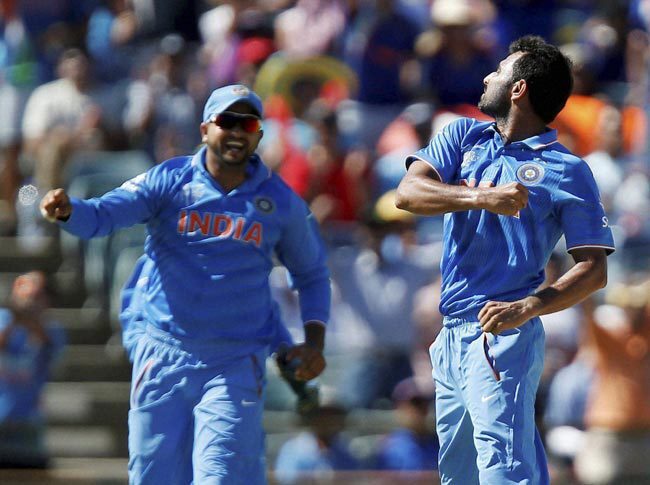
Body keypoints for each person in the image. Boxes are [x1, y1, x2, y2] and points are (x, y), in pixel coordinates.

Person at [39, 84, 331, 484]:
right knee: (154, 476)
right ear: (205, 129)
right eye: (227, 121)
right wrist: (70, 211)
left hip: (235, 359)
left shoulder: (280, 202)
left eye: (248, 124)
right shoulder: (170, 180)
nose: (237, 131)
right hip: (163, 351)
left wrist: (314, 342)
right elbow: (105, 214)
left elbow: (311, 274)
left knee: (220, 476)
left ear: (259, 135)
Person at [395, 36, 615, 484]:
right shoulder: (463, 135)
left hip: (503, 333)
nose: (486, 77)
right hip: (449, 334)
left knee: (504, 471)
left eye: (497, 71)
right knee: (460, 476)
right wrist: (483, 197)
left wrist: (530, 306)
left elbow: (594, 269)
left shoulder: (568, 170)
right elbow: (408, 194)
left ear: (518, 89)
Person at [0, 271, 66, 468]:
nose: (30, 303)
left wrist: (31, 322)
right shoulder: (3, 320)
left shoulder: (52, 330)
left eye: (36, 297)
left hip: (28, 422)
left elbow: (50, 348)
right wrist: (13, 320)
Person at [373, 377, 439, 473]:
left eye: (423, 405)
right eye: (415, 404)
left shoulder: (437, 444)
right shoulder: (390, 448)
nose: (418, 411)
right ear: (399, 407)